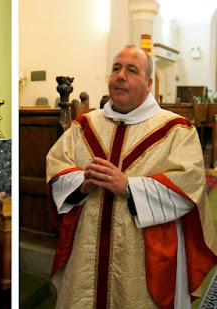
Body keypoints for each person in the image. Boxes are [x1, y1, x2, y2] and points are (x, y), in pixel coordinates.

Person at [46, 45, 217, 308]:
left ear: (149, 84)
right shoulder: (83, 126)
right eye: (116, 68)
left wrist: (129, 186)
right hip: (86, 252)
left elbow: (189, 183)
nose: (120, 76)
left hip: (143, 260)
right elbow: (57, 166)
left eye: (131, 70)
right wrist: (82, 184)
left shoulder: (177, 131)